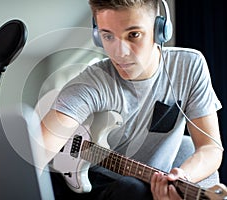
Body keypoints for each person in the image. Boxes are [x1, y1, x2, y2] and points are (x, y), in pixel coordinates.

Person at [39, 0, 224, 199]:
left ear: (160, 29)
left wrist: (183, 177)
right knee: (131, 188)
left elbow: (210, 147)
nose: (120, 53)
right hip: (89, 186)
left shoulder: (189, 66)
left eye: (133, 35)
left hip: (146, 186)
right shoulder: (92, 83)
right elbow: (39, 152)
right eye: (108, 36)